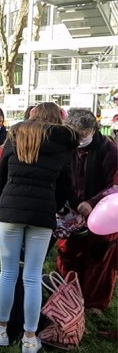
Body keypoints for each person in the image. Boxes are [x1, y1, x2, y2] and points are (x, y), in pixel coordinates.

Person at [0, 106, 77, 353]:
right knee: (33, 276)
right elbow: (66, 184)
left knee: (8, 272)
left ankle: (1, 328)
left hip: (11, 208)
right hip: (43, 211)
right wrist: (55, 206)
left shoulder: (17, 134)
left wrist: (0, 204)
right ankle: (29, 336)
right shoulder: (64, 142)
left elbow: (0, 175)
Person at [57, 108, 118, 312]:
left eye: (82, 136)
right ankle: (68, 294)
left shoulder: (109, 150)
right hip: (72, 210)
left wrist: (92, 202)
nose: (79, 140)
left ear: (92, 130)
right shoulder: (66, 146)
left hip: (103, 215)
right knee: (68, 252)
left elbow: (115, 184)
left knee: (99, 258)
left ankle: (93, 302)